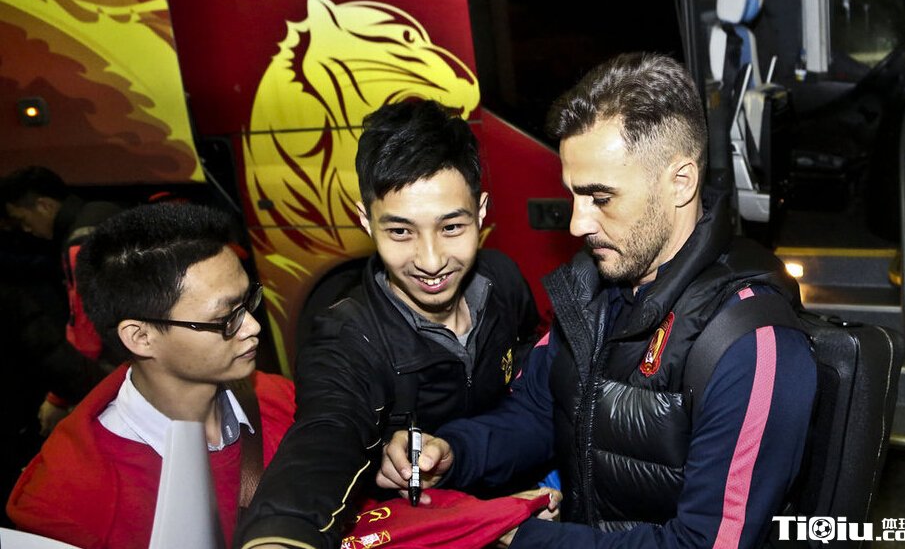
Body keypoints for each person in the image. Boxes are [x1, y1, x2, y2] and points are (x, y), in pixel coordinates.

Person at [378, 52, 817, 548]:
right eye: (574, 196)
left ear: (680, 182)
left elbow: (705, 544)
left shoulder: (750, 342)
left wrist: (522, 538)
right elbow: (538, 413)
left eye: (601, 198)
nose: (577, 223)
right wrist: (453, 452)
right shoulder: (594, 289)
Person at [234, 99, 540, 549]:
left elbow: (532, 378)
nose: (431, 261)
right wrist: (280, 535)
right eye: (400, 232)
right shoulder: (345, 336)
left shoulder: (504, 281)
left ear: (480, 212)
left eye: (451, 228)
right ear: (366, 221)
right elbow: (326, 435)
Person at [6, 202, 297, 549]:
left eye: (248, 302)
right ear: (141, 337)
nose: (252, 326)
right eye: (225, 318)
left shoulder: (284, 402)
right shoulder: (69, 505)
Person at [1, 165, 123, 434]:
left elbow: (87, 331)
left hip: (127, 363)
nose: (26, 230)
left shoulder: (78, 244)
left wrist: (58, 398)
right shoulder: (105, 210)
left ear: (43, 205)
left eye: (23, 220)